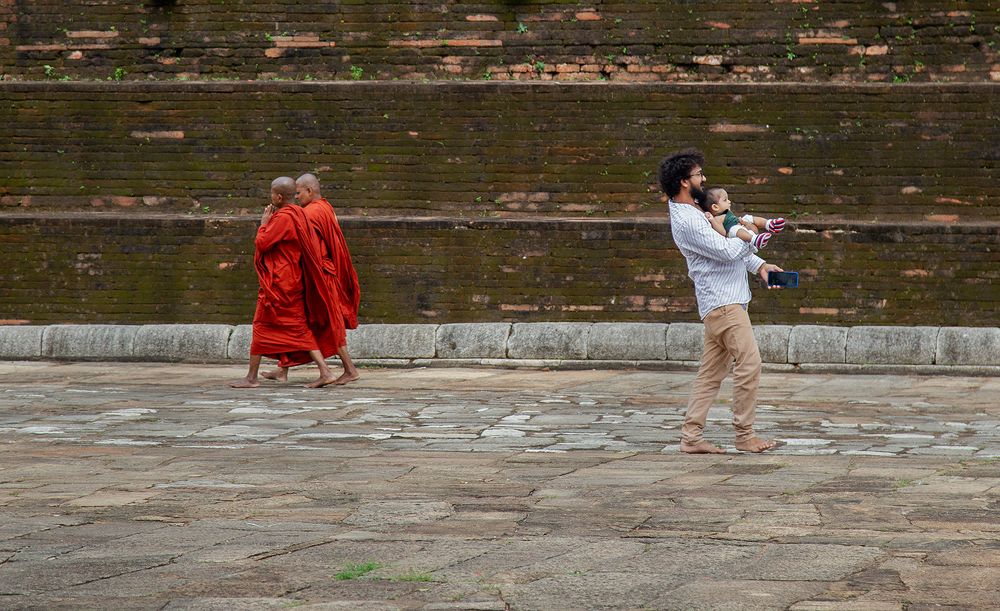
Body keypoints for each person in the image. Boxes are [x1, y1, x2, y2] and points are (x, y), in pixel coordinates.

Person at [659, 148, 782, 453]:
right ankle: (744, 434)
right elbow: (727, 251)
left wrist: (761, 266)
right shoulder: (689, 221)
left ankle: (691, 437)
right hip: (725, 305)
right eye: (699, 174)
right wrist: (751, 236)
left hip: (721, 303)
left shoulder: (699, 212)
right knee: (750, 363)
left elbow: (726, 249)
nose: (704, 178)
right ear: (685, 182)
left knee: (710, 375)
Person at [231, 177, 340, 389]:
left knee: (266, 326)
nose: (270, 197)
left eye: (272, 193)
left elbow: (263, 243)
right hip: (290, 278)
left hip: (280, 282)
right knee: (291, 327)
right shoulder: (298, 213)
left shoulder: (284, 218)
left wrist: (263, 225)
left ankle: (252, 378)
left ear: (279, 197)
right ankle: (295, 371)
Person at [261, 173, 361, 385]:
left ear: (309, 191)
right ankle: (283, 369)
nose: (296, 197)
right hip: (323, 271)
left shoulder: (312, 213)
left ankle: (349, 369)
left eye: (298, 193)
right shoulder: (325, 207)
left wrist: (269, 225)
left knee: (327, 322)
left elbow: (303, 246)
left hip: (320, 275)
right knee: (300, 320)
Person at [701, 186, 786, 249]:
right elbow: (723, 232)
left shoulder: (726, 211)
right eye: (725, 200)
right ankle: (754, 239)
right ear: (715, 207)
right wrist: (712, 220)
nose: (729, 201)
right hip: (731, 231)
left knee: (748, 218)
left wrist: (743, 222)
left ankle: (769, 224)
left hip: (738, 222)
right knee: (736, 229)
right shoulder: (717, 218)